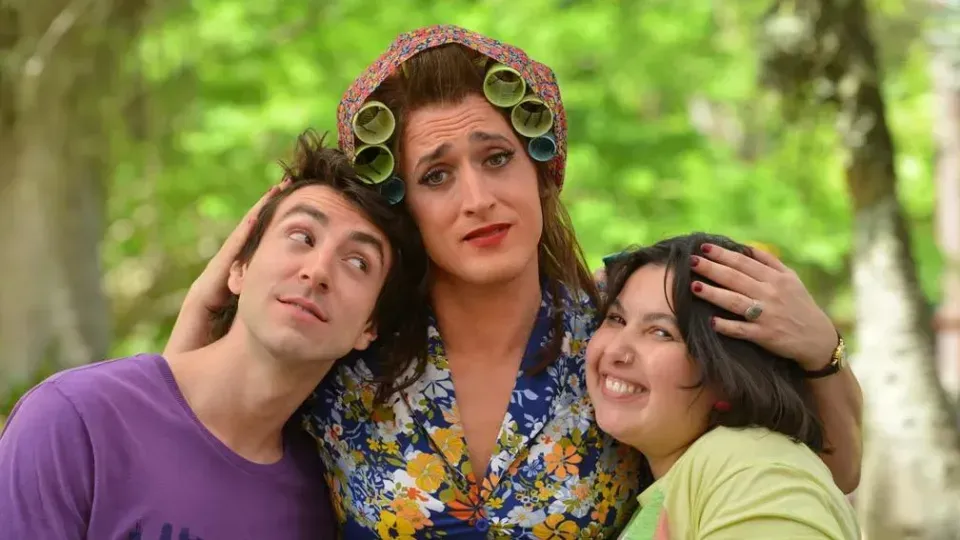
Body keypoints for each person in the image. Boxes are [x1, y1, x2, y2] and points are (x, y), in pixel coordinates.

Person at [164, 25, 864, 537]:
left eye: (496, 158)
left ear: (542, 174)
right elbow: (189, 433)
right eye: (437, 175)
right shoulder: (349, 349)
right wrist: (209, 296)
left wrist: (821, 353)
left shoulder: (619, 346)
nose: (478, 199)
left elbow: (819, 476)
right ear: (405, 208)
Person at [0, 131, 427, 540]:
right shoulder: (73, 419)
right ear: (238, 267)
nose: (316, 272)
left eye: (358, 262)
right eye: (301, 236)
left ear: (369, 327)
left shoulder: (318, 503)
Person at [588, 233, 860, 539]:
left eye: (661, 333)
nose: (616, 351)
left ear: (731, 374)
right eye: (615, 318)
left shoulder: (753, 472)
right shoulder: (691, 477)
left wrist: (824, 348)